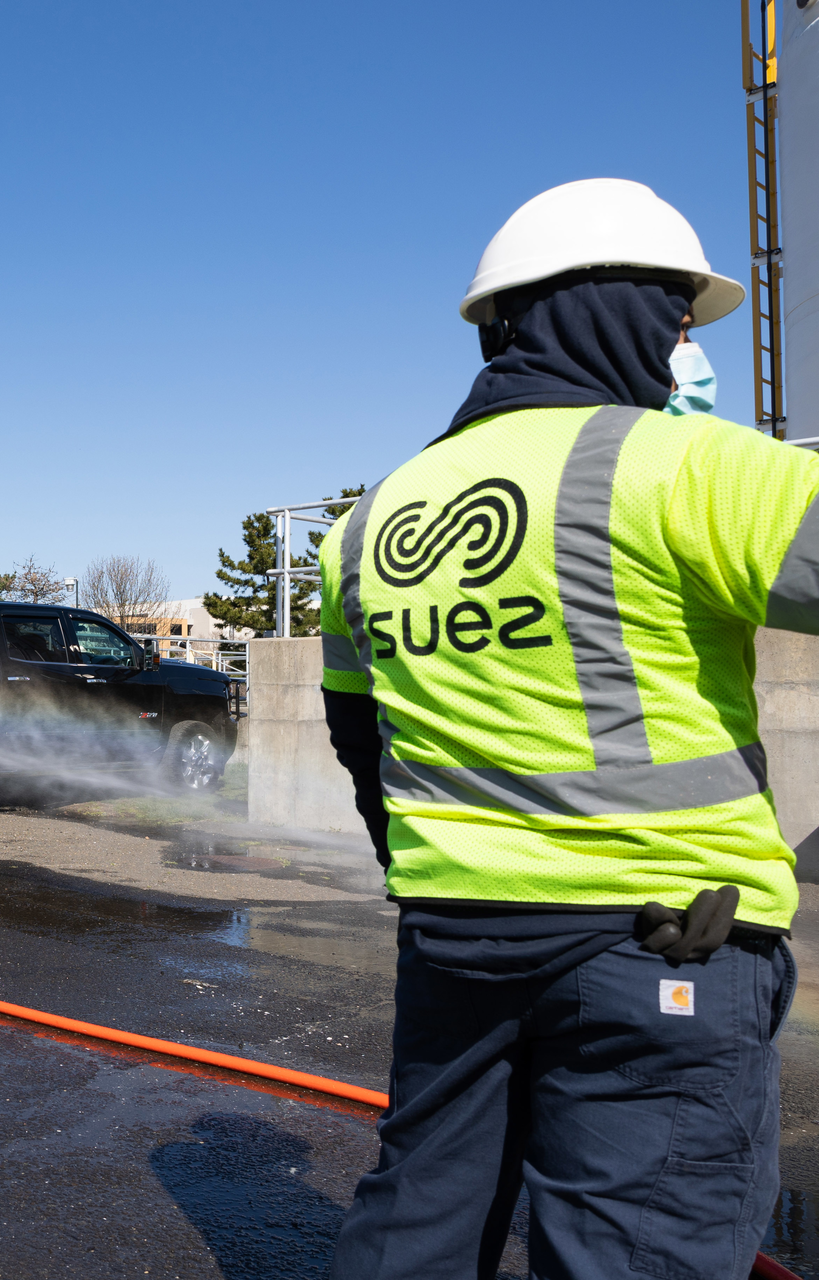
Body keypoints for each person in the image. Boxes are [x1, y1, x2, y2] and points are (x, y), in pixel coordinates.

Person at [319, 179, 811, 1278]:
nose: (684, 349)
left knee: (416, 1218)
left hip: (456, 938)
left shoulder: (367, 521)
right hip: (665, 944)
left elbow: (364, 746)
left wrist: (444, 873)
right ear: (619, 308)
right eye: (678, 319)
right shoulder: (684, 464)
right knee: (636, 1247)